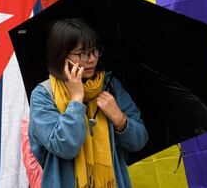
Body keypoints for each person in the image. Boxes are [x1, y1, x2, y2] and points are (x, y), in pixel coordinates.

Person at [28, 18, 148, 188]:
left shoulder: (110, 85)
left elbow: (139, 141)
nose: (92, 59)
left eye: (95, 50)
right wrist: (76, 100)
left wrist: (121, 121)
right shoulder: (43, 94)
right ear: (62, 54)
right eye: (83, 53)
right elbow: (64, 147)